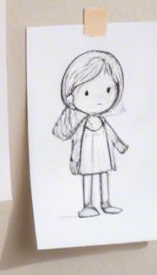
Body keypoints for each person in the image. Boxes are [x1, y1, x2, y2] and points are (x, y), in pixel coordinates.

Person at [52, 50, 129, 217]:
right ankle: (87, 205)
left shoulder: (102, 121)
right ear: (71, 97)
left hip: (103, 153)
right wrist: (74, 159)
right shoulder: (82, 124)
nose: (100, 99)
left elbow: (112, 135)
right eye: (87, 93)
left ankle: (105, 203)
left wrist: (120, 146)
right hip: (87, 155)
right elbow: (77, 142)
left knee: (104, 174)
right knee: (88, 176)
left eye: (109, 90)